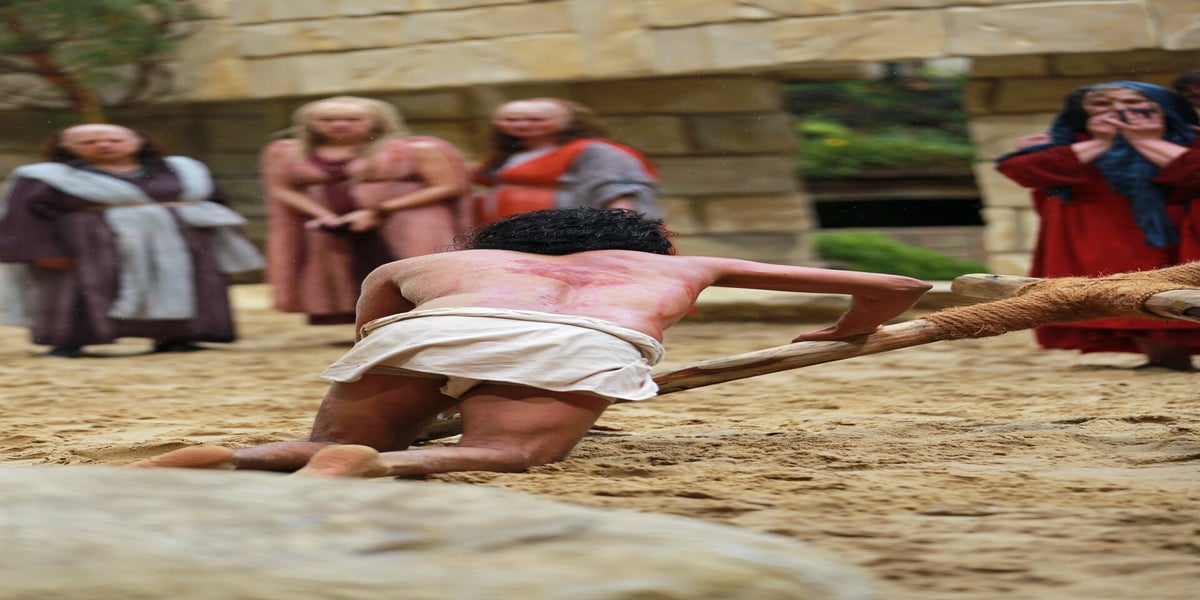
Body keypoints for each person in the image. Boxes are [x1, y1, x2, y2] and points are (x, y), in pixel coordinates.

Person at [127, 208, 931, 478]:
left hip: (424, 333)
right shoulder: (681, 264)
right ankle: (381, 466)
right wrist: (849, 328)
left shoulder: (429, 263)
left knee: (324, 440)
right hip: (580, 341)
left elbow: (370, 331)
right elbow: (897, 286)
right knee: (508, 453)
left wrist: (431, 385)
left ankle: (236, 458)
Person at [0, 124, 264, 358]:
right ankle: (69, 342)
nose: (104, 145)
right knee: (82, 291)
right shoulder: (45, 176)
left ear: (139, 141)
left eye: (115, 140)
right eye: (89, 142)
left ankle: (176, 338)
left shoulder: (183, 169)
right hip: (87, 248)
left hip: (177, 244)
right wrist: (44, 251)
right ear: (66, 147)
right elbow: (23, 215)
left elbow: (215, 201)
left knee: (184, 283)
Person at [996, 81, 1200, 371]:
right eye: (1101, 104)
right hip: (1098, 238)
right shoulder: (1065, 142)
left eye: (1133, 103)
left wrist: (1146, 141)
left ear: (1163, 108)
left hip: (1175, 238)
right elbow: (1023, 170)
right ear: (1083, 112)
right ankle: (1165, 359)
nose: (1117, 110)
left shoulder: (1187, 139)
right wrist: (1103, 142)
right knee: (1122, 297)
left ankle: (1171, 359)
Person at [260, 96, 472, 325]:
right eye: (327, 119)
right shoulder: (286, 153)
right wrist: (325, 216)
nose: (340, 125)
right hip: (335, 230)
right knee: (349, 276)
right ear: (308, 123)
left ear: (377, 121)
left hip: (407, 223)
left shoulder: (415, 149)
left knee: (412, 274)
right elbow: (281, 188)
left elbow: (448, 185)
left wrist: (378, 210)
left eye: (354, 119)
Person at [472, 97, 661, 226]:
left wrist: (622, 228)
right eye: (511, 120)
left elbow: (619, 192)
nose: (522, 125)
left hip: (565, 232)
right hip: (511, 233)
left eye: (536, 120)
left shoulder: (595, 150)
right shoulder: (506, 155)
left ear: (566, 122)